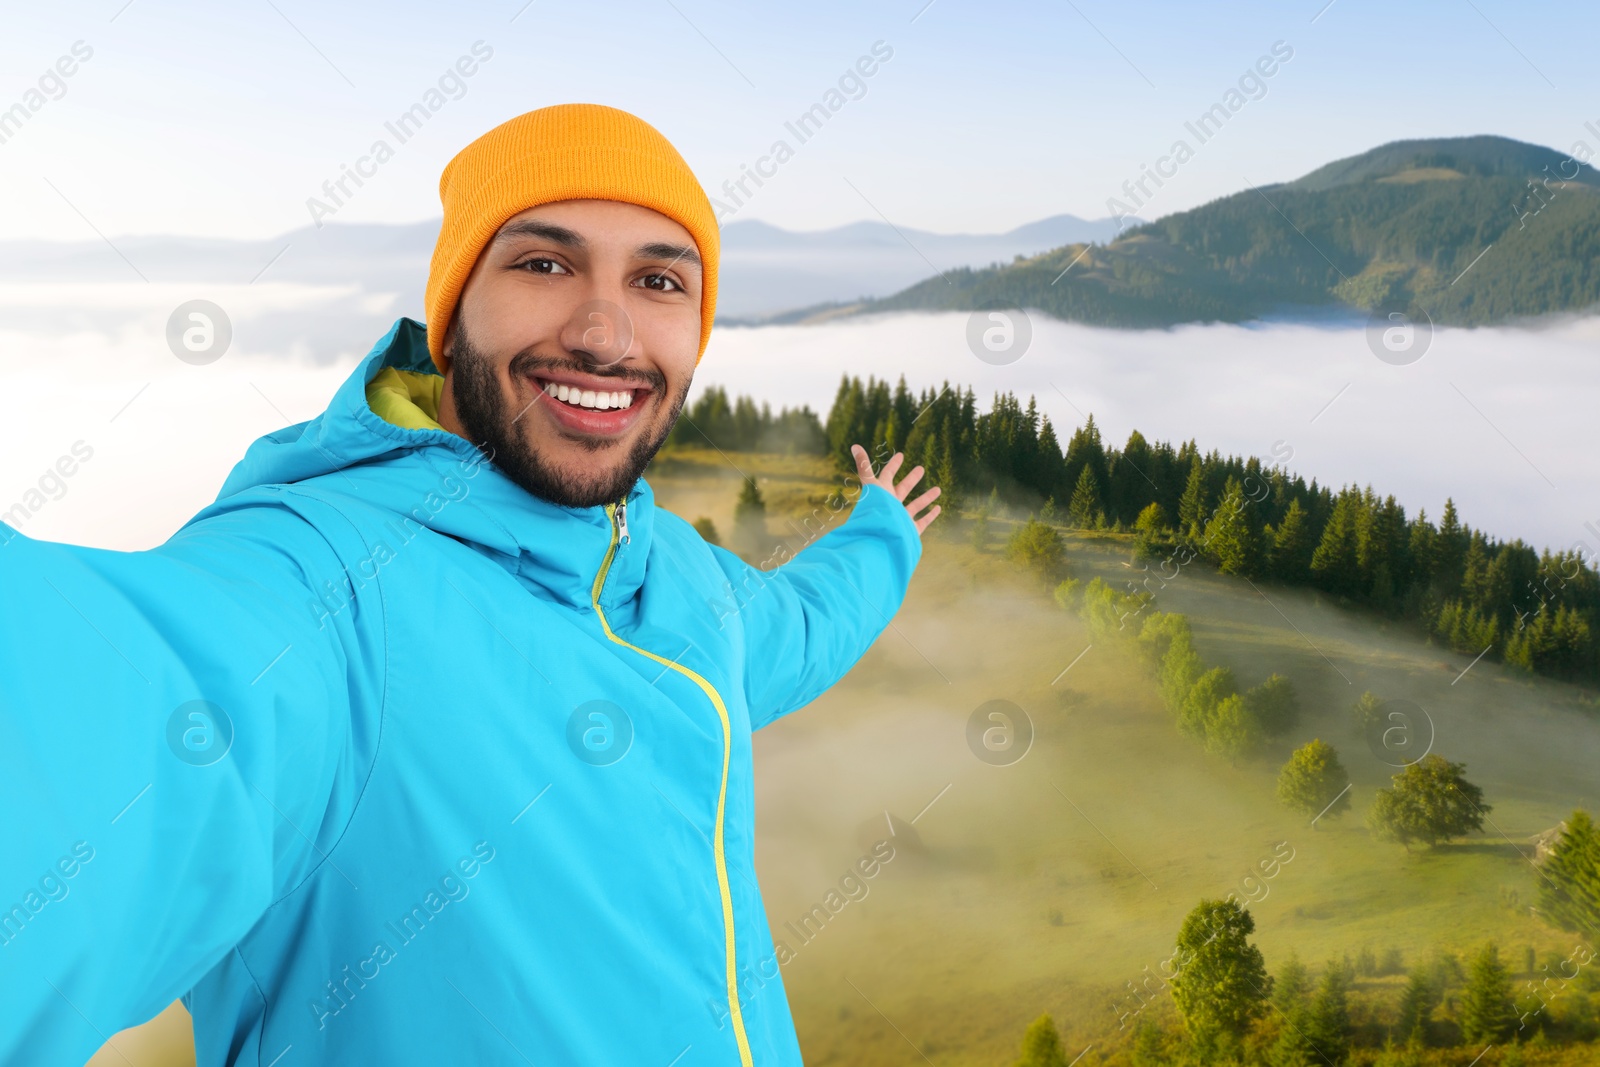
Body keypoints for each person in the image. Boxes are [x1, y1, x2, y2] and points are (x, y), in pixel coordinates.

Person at [0, 103, 939, 1065]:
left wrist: (884, 531)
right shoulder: (326, 591)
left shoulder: (681, 578)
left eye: (659, 280)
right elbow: (116, 717)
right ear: (451, 312)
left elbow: (799, 621)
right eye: (543, 263)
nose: (608, 335)